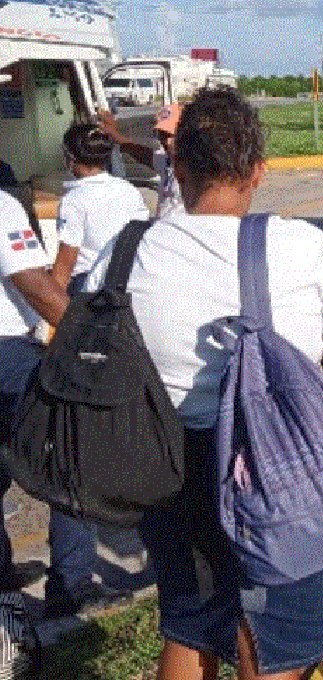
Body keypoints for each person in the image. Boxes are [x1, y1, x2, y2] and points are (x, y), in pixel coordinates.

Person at [85, 87, 323, 680]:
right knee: (275, 637)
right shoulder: (302, 246)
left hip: (167, 470)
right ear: (258, 171)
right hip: (275, 473)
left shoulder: (124, 252)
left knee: (190, 621)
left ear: (180, 165)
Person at [0, 190, 134, 615]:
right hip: (8, 353)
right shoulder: (1, 206)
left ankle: (2, 578)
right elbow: (35, 285)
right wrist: (94, 334)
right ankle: (71, 584)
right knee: (68, 455)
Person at [51, 123, 150, 293]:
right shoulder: (128, 189)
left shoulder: (73, 200)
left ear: (71, 159)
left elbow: (66, 263)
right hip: (126, 278)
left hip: (88, 283)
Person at [98, 103, 184, 219]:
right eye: (161, 135)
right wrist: (115, 134)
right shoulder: (167, 162)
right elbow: (142, 154)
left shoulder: (199, 172)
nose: (166, 142)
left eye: (171, 135)